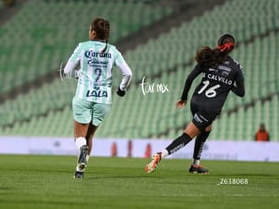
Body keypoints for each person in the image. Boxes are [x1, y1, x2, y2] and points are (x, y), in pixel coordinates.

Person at [145, 33, 245, 174]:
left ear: (219, 44)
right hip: (209, 108)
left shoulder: (209, 58)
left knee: (207, 129)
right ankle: (161, 155)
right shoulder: (236, 67)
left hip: (195, 101)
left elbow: (190, 78)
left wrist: (184, 98)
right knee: (188, 135)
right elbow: (241, 93)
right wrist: (229, 85)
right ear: (232, 49)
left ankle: (195, 165)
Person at [63, 17, 132, 179]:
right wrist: (121, 89)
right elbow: (128, 73)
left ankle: (82, 150)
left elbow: (67, 70)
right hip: (103, 100)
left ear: (93, 33)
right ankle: (80, 171)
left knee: (80, 138)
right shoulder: (113, 51)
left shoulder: (83, 47)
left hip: (84, 96)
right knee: (90, 136)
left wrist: (78, 75)